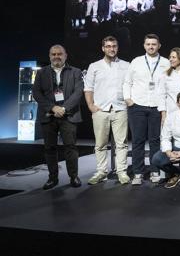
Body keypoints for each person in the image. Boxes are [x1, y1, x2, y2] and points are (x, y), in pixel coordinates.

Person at [32, 45, 84, 189]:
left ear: (65, 55)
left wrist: (63, 108)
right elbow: (37, 93)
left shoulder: (76, 72)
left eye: (59, 54)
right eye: (53, 54)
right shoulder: (42, 73)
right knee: (49, 148)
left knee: (71, 147)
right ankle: (52, 178)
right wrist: (52, 107)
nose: (56, 56)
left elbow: (78, 93)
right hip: (48, 115)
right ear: (49, 56)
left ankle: (74, 177)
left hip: (69, 115)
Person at [123, 34, 170, 185]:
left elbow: (171, 82)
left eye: (154, 44)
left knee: (155, 140)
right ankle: (138, 172)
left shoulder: (166, 63)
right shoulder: (136, 62)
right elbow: (127, 82)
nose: (151, 46)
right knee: (137, 141)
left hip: (157, 106)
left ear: (159, 46)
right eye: (148, 44)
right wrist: (128, 100)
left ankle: (155, 171)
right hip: (137, 106)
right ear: (144, 46)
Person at [84, 36, 131, 185]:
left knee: (121, 143)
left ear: (117, 48)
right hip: (101, 109)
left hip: (120, 108)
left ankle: (121, 172)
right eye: (108, 46)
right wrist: (91, 106)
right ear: (103, 48)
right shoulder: (94, 66)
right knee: (100, 144)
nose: (111, 49)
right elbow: (88, 88)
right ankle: (101, 171)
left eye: (114, 46)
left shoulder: (126, 65)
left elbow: (131, 85)